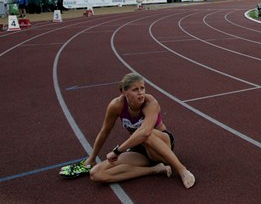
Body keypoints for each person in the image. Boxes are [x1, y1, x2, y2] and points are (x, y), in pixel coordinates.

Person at [60, 73, 195, 188]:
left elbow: (145, 132)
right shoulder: (116, 106)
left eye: (142, 88)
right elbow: (104, 131)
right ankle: (154, 170)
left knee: (144, 134)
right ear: (124, 92)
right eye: (135, 89)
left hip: (161, 144)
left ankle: (182, 170)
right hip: (140, 149)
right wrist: (91, 158)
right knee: (96, 174)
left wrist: (118, 151)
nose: (141, 92)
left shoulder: (150, 102)